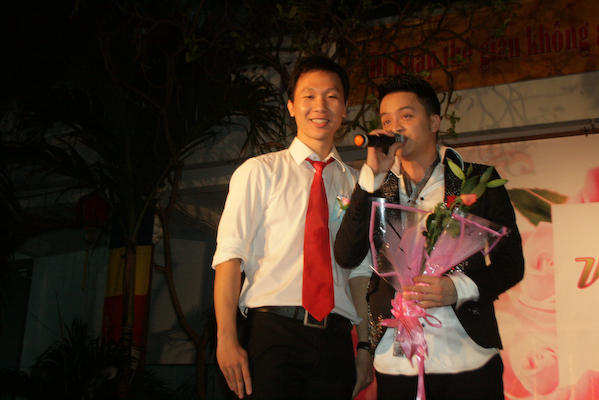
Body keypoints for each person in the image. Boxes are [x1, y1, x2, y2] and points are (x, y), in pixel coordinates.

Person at [334, 74, 525, 400]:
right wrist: (371, 179)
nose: (395, 127)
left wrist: (457, 288)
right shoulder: (376, 189)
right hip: (397, 364)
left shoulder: (475, 181)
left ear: (434, 122)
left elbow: (511, 265)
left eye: (406, 116)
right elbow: (346, 255)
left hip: (468, 358)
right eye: (386, 121)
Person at [212, 55, 371, 400]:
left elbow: (360, 273)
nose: (320, 106)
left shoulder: (359, 185)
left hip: (336, 340)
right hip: (273, 334)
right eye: (309, 96)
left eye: (332, 96)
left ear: (345, 108)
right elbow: (229, 258)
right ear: (291, 106)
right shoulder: (258, 172)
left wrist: (364, 347)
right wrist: (226, 338)